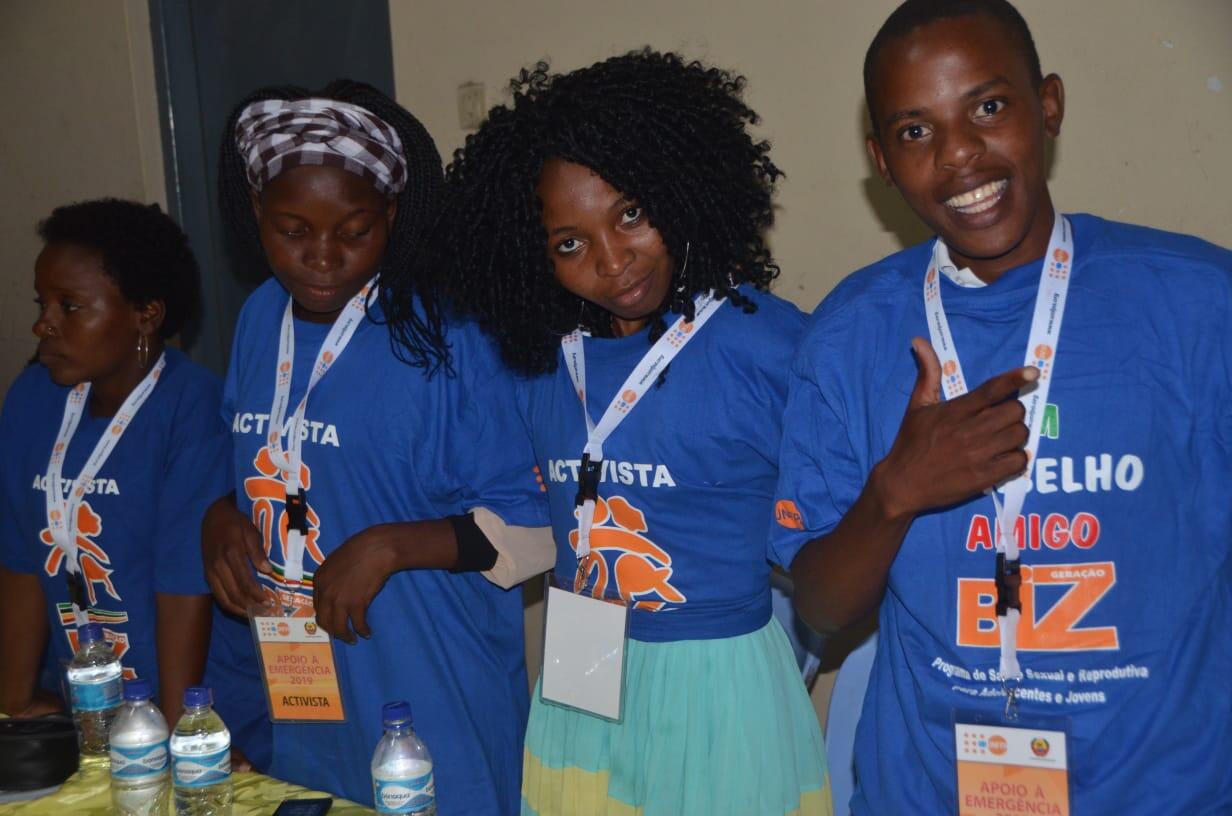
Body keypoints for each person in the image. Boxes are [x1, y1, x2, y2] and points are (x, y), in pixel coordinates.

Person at [773, 2, 1232, 813]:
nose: (959, 155)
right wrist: (895, 494)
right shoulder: (851, 332)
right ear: (880, 159)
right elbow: (818, 608)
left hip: (1165, 789)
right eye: (916, 131)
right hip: (931, 790)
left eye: (988, 107)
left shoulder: (1197, 305)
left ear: (1047, 104)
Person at [416, 50, 831, 816]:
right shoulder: (540, 362)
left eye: (631, 214)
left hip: (719, 684)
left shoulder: (770, 346)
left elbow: (837, 526)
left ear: (681, 185)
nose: (611, 261)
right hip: (579, 675)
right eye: (569, 244)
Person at [202, 79, 547, 813]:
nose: (320, 256)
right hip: (306, 692)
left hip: (430, 694)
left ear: (392, 215)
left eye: (352, 230)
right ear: (255, 214)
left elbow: (539, 527)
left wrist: (392, 546)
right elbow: (259, 464)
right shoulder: (262, 319)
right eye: (291, 229)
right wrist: (221, 520)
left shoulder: (449, 332)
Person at [0, 199, 268, 767]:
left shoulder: (191, 408)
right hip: (89, 715)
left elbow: (182, 592)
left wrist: (178, 740)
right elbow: (23, 557)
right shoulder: (32, 398)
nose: (42, 324)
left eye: (69, 306)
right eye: (42, 303)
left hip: (196, 705)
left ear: (146, 314)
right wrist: (15, 698)